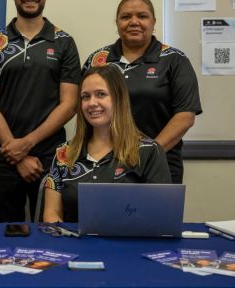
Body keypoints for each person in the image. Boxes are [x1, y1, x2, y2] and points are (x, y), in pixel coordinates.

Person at [0, 0, 81, 222]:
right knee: (4, 237)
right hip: (4, 156)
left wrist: (27, 144)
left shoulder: (64, 43)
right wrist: (17, 153)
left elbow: (69, 105)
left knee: (51, 234)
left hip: (49, 157)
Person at [83, 0, 202, 183]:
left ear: (154, 22)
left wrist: (148, 156)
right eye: (126, 17)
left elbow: (185, 117)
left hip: (160, 163)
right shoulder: (98, 60)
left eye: (142, 16)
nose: (134, 22)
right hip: (105, 165)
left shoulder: (174, 60)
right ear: (117, 23)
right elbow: (84, 110)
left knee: (156, 213)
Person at [43, 65, 171, 223]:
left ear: (119, 99)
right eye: (85, 97)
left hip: (129, 245)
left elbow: (159, 215)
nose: (92, 103)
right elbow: (51, 214)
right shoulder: (64, 153)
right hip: (74, 244)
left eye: (101, 94)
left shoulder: (149, 152)